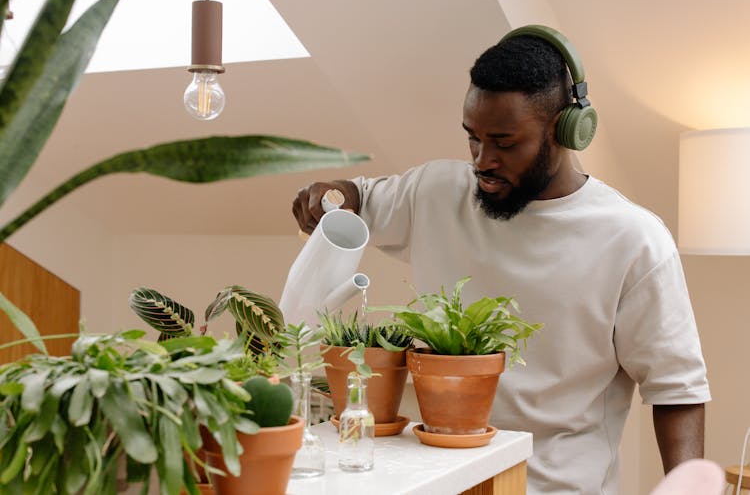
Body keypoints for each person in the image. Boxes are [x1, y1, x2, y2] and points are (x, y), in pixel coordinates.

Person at [291, 25, 710, 494]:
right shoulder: (435, 192)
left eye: (505, 143)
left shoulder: (633, 238)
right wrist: (333, 194)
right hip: (438, 479)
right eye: (473, 137)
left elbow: (677, 390)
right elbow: (360, 198)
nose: (482, 160)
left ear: (565, 131)